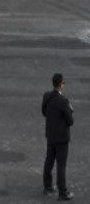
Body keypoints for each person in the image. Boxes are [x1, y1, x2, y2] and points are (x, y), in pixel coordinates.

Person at [42, 73, 74, 201]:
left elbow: (44, 112)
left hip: (51, 135)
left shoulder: (47, 96)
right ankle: (62, 192)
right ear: (60, 84)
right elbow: (70, 121)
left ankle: (47, 186)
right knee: (61, 165)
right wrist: (70, 109)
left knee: (49, 160)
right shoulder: (63, 101)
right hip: (61, 138)